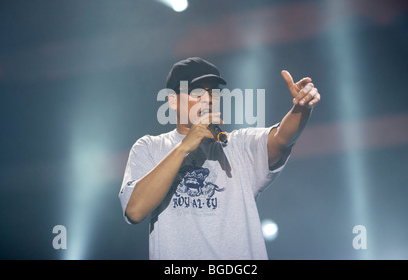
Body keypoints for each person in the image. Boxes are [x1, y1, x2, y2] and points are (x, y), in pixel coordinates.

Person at [119, 57, 320, 260]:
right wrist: (184, 147)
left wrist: (301, 107)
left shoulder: (237, 145)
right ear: (172, 100)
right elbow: (134, 211)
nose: (207, 99)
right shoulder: (150, 147)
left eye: (213, 92)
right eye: (196, 91)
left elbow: (282, 139)